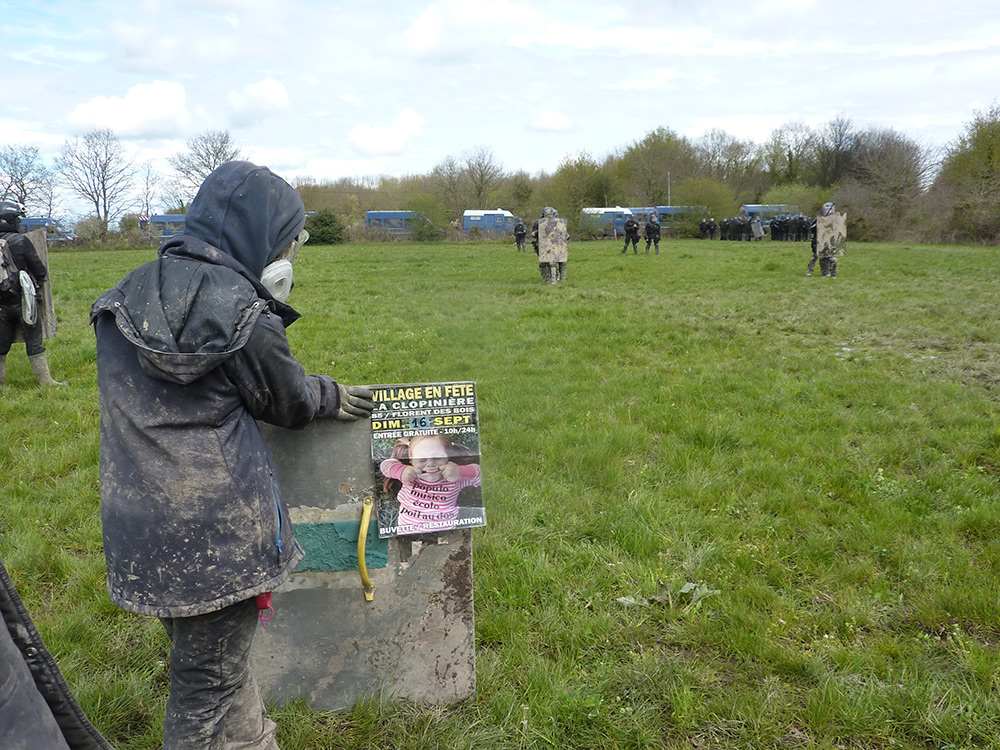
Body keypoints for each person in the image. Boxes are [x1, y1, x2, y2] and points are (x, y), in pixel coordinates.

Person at [90, 161, 375, 749]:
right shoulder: (247, 313)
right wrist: (332, 393)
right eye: (291, 241)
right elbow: (289, 400)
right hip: (219, 536)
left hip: (139, 526)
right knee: (203, 691)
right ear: (264, 238)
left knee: (218, 664)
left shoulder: (120, 299)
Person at [0, 200, 65, 388]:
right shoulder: (20, 241)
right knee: (34, 342)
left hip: (1, 304)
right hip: (24, 301)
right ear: (10, 220)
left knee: (1, 345)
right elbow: (40, 271)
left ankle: (1, 385)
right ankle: (46, 382)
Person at [380, 434, 482, 534]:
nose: (430, 464)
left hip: (444, 534)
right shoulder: (410, 477)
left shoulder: (454, 479)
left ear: (448, 458)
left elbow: (481, 475)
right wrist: (401, 471)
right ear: (411, 462)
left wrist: (461, 471)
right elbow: (385, 465)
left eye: (437, 458)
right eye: (421, 460)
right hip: (408, 534)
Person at [807, 201, 841, 278]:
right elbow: (812, 228)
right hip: (819, 241)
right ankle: (824, 272)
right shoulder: (818, 218)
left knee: (831, 258)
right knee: (821, 257)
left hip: (830, 241)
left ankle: (832, 273)